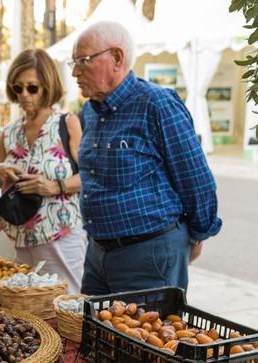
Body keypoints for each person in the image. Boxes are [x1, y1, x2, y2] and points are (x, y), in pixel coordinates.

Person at [70, 21, 221, 295]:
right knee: (93, 336)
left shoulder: (157, 104)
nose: (74, 71)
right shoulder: (90, 112)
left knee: (146, 337)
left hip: (148, 256)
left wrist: (198, 234)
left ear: (116, 57)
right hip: (98, 252)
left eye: (83, 60)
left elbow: (196, 180)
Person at [0, 48, 86, 294]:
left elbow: (89, 176)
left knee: (64, 305)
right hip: (14, 239)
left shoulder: (66, 123)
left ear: (47, 86)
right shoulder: (9, 132)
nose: (24, 95)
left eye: (32, 88)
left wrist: (53, 186)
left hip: (59, 236)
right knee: (20, 313)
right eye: (18, 88)